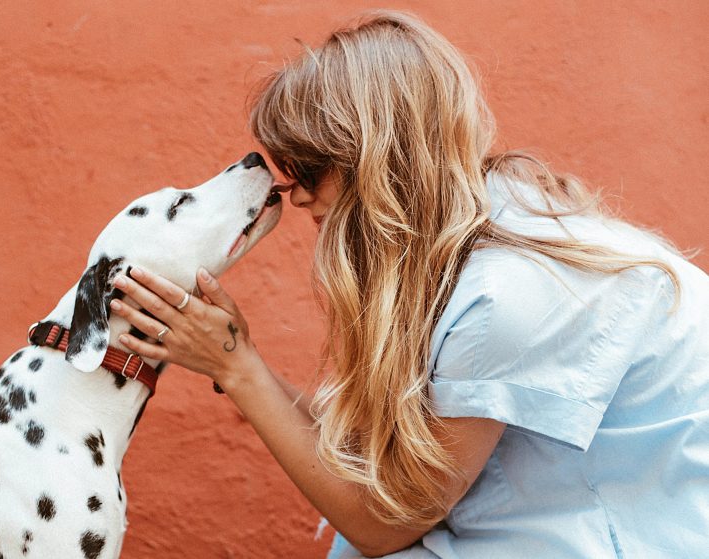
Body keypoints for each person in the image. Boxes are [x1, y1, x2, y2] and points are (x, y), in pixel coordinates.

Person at [108, 10, 709, 558]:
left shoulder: (504, 295)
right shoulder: (472, 236)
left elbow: (385, 524)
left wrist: (236, 366)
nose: (294, 195)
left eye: (310, 168)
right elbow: (373, 454)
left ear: (377, 156)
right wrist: (235, 355)